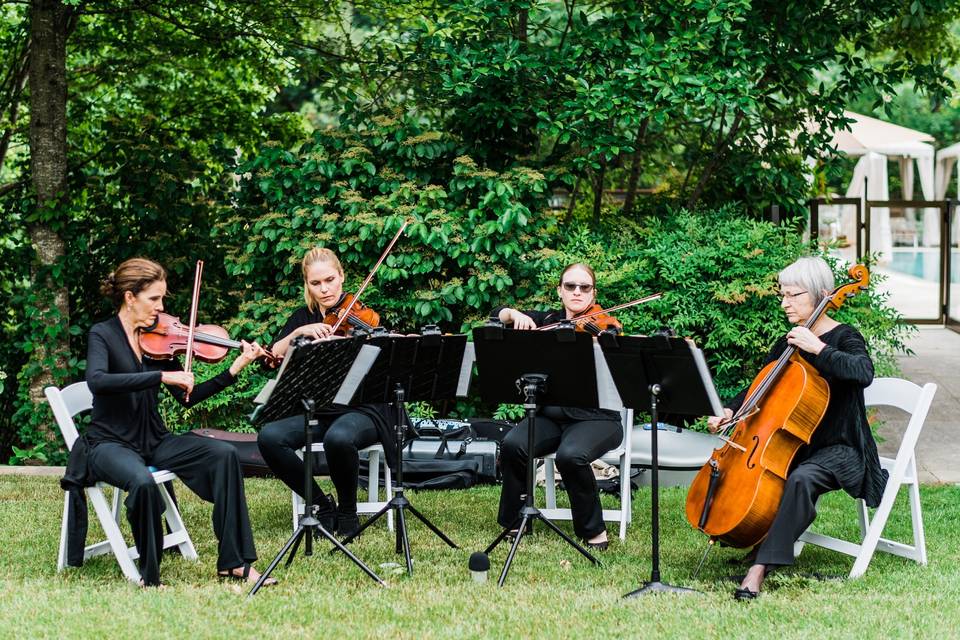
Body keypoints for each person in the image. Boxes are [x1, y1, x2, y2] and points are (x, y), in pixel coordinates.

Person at [85, 258, 273, 587]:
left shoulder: (155, 340)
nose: (160, 308)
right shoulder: (103, 334)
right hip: (109, 442)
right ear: (130, 298)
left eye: (162, 300)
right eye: (154, 299)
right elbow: (97, 381)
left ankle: (235, 562)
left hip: (153, 440)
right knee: (142, 482)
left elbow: (189, 396)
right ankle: (150, 576)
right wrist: (160, 376)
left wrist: (237, 366)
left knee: (224, 454)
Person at [708, 256, 886, 600]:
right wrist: (731, 410)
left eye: (793, 295)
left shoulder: (845, 336)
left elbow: (863, 372)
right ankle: (757, 537)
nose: (784, 302)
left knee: (803, 478)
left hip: (843, 447)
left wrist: (817, 347)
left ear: (820, 295)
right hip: (797, 444)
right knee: (774, 474)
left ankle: (758, 569)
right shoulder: (787, 341)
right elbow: (759, 386)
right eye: (782, 295)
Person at [257, 247, 400, 538]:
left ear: (342, 277)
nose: (324, 289)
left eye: (330, 280)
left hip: (364, 409)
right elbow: (272, 356)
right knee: (270, 437)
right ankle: (323, 505)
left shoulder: (362, 317)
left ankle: (348, 509)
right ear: (307, 284)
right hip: (319, 409)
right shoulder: (303, 318)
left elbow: (389, 357)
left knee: (340, 437)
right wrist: (301, 333)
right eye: (316, 283)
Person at [492, 262, 624, 550]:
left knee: (571, 455)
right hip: (552, 416)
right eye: (570, 286)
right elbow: (497, 314)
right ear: (560, 291)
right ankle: (516, 521)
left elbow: (620, 367)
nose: (577, 292)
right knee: (514, 444)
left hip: (597, 419)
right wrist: (514, 314)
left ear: (593, 293)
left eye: (584, 287)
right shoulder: (546, 320)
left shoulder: (604, 327)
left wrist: (604, 342)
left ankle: (593, 530)